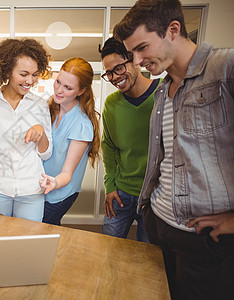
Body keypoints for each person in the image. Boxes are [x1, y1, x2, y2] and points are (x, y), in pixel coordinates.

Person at [114, 0, 234, 299]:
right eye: (133, 53)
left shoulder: (225, 68)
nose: (138, 60)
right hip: (160, 224)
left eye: (142, 47)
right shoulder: (162, 93)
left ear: (173, 30)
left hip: (204, 239)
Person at [0, 38, 52, 223]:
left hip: (31, 191)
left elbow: (47, 154)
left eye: (34, 74)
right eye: (24, 74)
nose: (30, 81)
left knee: (29, 245)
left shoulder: (40, 106)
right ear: (7, 71)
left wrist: (41, 133)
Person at [99, 37, 161, 242]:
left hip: (155, 197)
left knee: (148, 259)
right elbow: (108, 145)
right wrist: (110, 186)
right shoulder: (112, 103)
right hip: (121, 193)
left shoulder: (163, 96)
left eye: (118, 68)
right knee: (107, 250)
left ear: (133, 60)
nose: (114, 77)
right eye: (108, 73)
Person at [39, 57, 100, 226]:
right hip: (42, 188)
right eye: (58, 82)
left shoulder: (81, 124)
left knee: (40, 230)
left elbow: (66, 173)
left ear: (81, 91)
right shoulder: (50, 108)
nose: (59, 90)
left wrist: (54, 182)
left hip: (60, 192)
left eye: (68, 88)